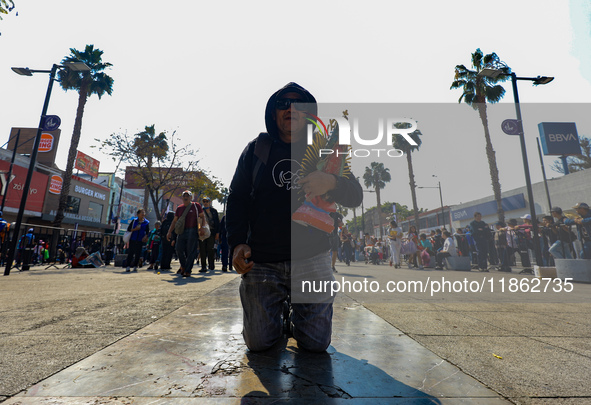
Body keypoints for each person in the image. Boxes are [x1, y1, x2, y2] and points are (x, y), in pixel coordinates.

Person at [226, 82, 362, 352]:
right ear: (273, 113)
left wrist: (332, 182)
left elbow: (356, 195)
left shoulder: (325, 149)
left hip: (312, 257)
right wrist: (237, 242)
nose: (291, 109)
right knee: (259, 344)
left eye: (299, 104)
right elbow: (237, 198)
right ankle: (278, 318)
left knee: (315, 345)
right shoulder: (257, 149)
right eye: (283, 104)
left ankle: (294, 318)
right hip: (263, 260)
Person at [166, 190, 205, 277]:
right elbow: (174, 221)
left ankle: (188, 270)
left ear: (191, 197)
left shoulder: (196, 205)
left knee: (191, 250)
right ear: (182, 198)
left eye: (187, 196)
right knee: (178, 249)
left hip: (193, 230)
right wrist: (169, 232)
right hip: (181, 231)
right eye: (184, 196)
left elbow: (202, 217)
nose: (185, 197)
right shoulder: (179, 208)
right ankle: (183, 265)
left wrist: (202, 227)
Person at [199, 196, 220, 272]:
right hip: (202, 233)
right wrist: (199, 230)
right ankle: (203, 266)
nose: (205, 203)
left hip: (211, 232)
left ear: (209, 202)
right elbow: (198, 221)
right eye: (204, 201)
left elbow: (217, 223)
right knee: (202, 250)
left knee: (210, 249)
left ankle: (211, 265)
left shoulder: (214, 211)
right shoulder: (200, 211)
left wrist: (217, 233)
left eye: (207, 201)